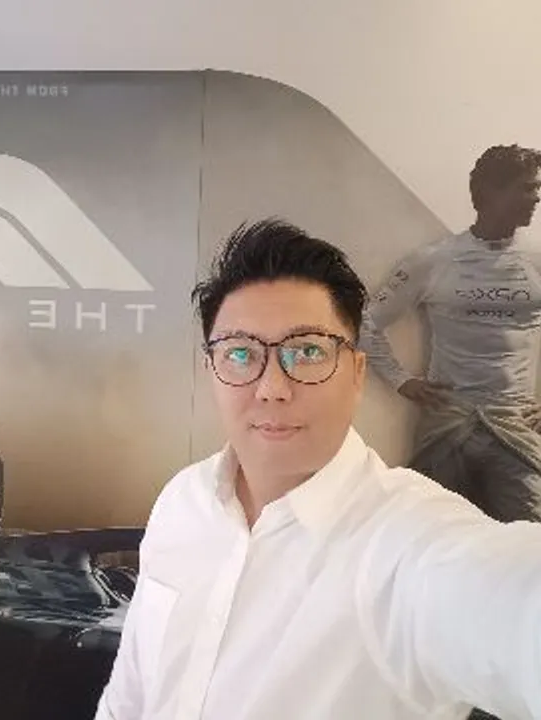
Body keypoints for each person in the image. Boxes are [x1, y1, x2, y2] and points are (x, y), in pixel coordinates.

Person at [94, 218, 541, 720]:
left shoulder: (405, 546)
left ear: (356, 373)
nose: (272, 388)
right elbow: (128, 697)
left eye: (307, 352)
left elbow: (511, 600)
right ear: (211, 372)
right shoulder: (182, 501)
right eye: (240, 353)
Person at [360, 144, 541, 524]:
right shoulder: (434, 260)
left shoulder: (535, 261)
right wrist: (402, 381)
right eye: (527, 188)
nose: (536, 197)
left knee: (530, 543)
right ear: (490, 192)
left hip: (516, 426)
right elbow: (365, 323)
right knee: (432, 532)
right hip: (447, 424)